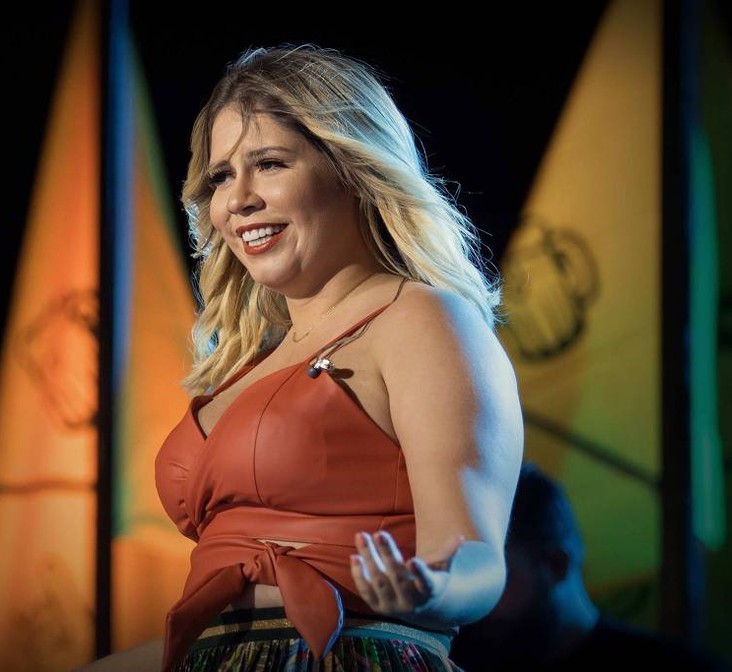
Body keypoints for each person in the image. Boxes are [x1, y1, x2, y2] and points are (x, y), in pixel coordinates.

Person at [75, 43, 524, 671]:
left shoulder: (421, 317)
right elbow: (225, 637)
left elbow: (477, 557)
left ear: (353, 168)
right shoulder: (248, 362)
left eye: (269, 164)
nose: (238, 199)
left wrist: (434, 588)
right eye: (221, 176)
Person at [449, 462, 730, 671]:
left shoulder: (671, 666)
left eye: (497, 577)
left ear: (556, 565)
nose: (480, 598)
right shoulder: (465, 656)